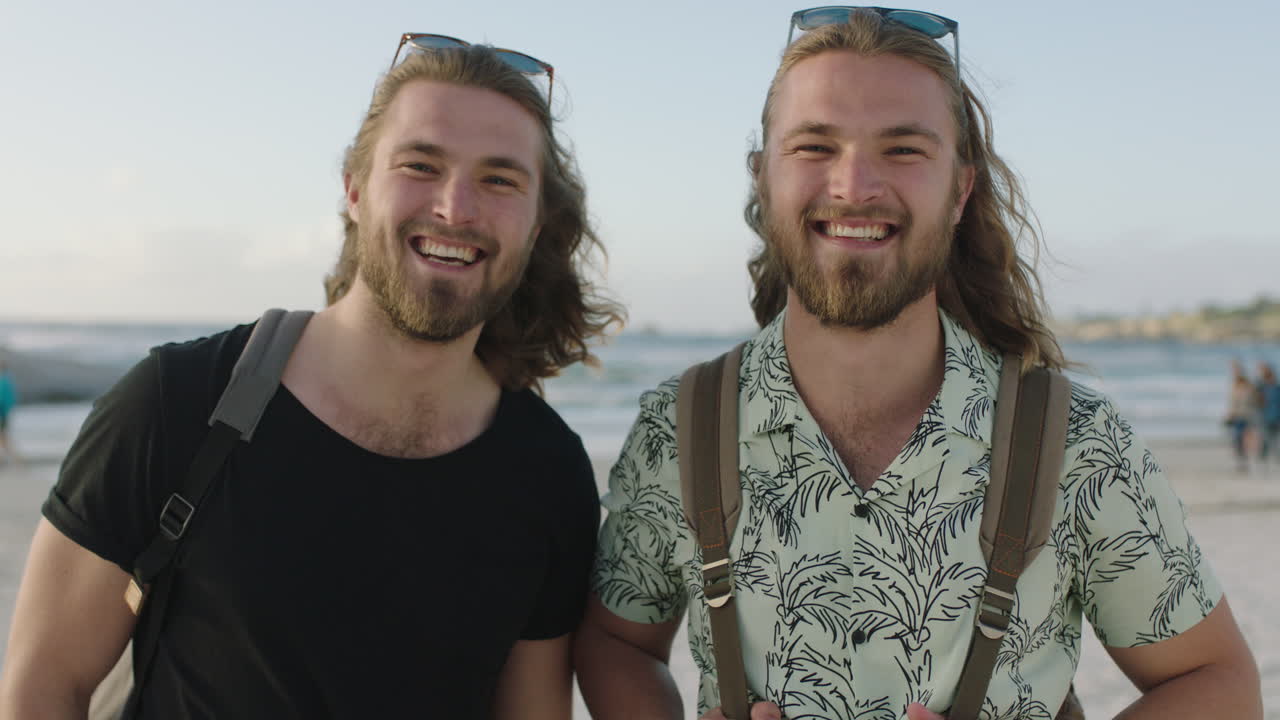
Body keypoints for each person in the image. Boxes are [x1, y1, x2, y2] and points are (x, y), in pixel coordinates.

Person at [576, 8, 1261, 720]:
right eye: (814, 146)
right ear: (762, 176)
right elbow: (616, 640)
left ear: (960, 189)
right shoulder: (680, 429)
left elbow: (1215, 679)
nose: (853, 186)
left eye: (902, 149)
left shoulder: (1074, 441)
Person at [0, 36, 622, 719]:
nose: (456, 207)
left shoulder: (546, 472)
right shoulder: (176, 405)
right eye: (421, 164)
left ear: (535, 225)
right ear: (355, 190)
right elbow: (42, 685)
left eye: (500, 179)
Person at [1225, 358, 1260, 472]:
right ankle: (1241, 462)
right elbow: (1232, 404)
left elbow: (1255, 400)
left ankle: (1246, 462)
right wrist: (1229, 415)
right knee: (1237, 440)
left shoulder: (1248, 386)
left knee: (1244, 440)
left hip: (1247, 417)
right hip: (1237, 417)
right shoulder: (1234, 386)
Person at [1256, 362, 1280, 463]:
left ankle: (1274, 456)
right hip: (1265, 417)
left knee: (1274, 438)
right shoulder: (1262, 387)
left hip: (1276, 416)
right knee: (1266, 438)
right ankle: (1264, 456)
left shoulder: (1277, 387)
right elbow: (1256, 394)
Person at [0, 357, 16, 465]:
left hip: (1, 414)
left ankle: (16, 461)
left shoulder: (3, 381)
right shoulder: (7, 380)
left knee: (4, 439)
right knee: (4, 438)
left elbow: (3, 400)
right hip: (4, 414)